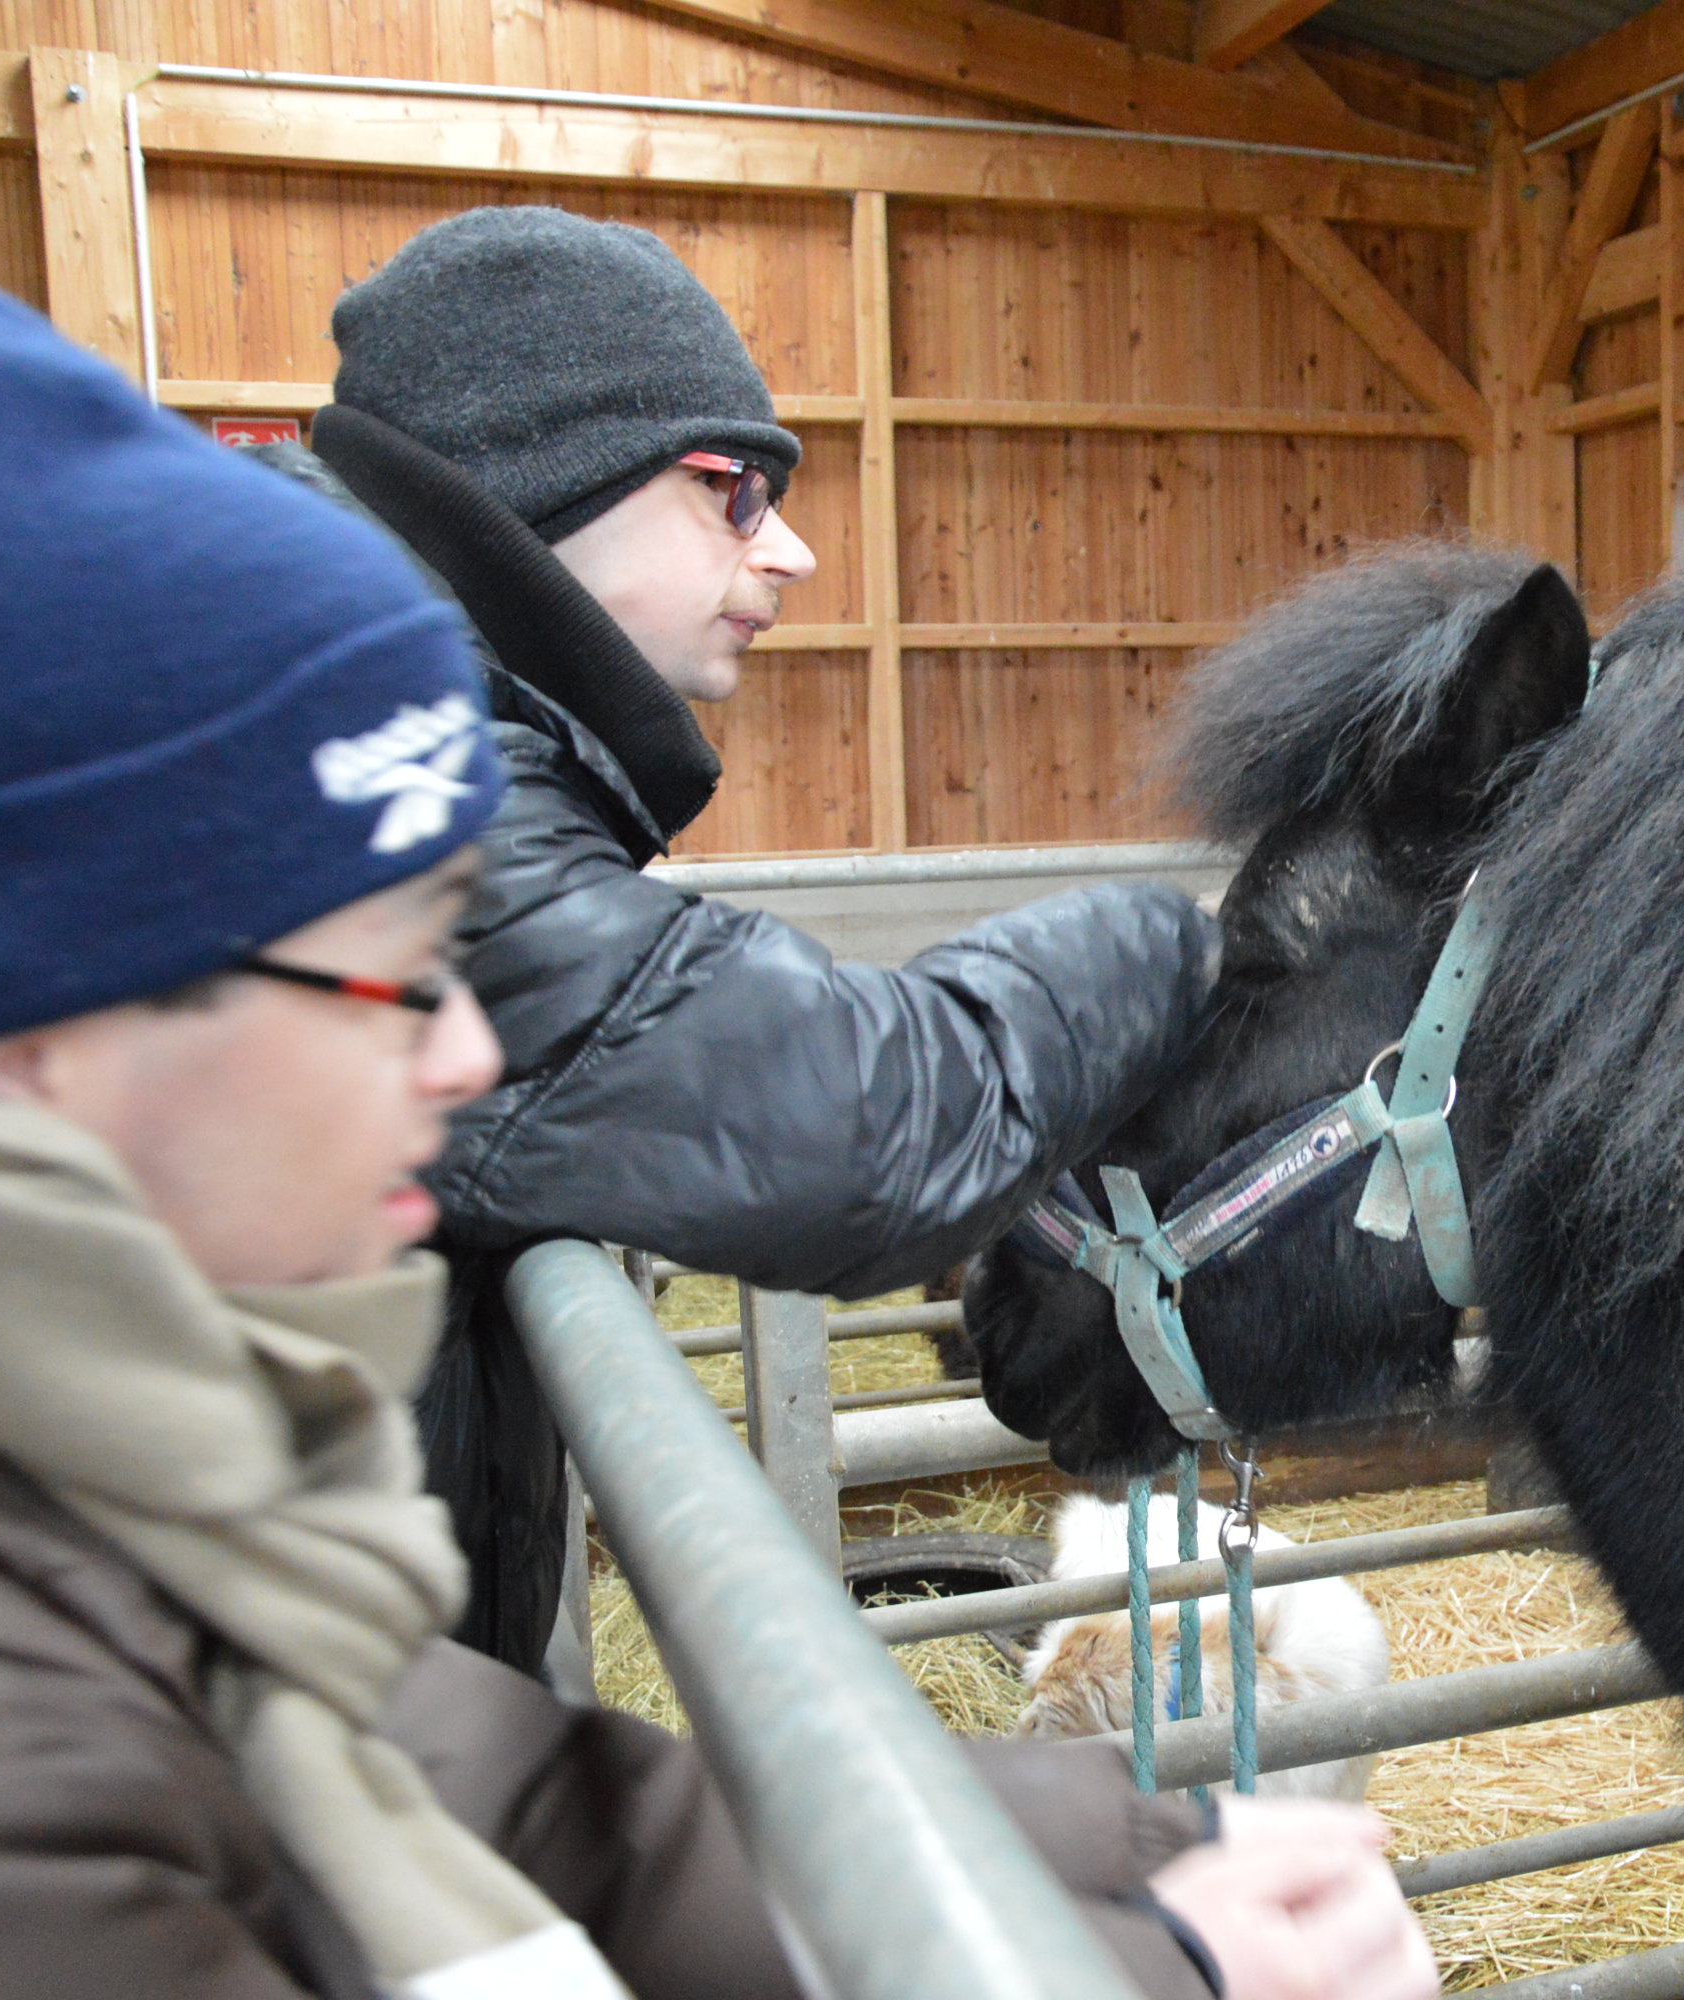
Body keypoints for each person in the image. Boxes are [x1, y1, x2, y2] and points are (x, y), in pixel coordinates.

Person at [0, 276, 1436, 2000]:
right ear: (35, 1030)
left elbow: (499, 1789)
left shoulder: (131, 1520)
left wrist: (1133, 1870)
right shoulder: (7, 1766)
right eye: (386, 980)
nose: (472, 1049)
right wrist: (1202, 944)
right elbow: (858, 1119)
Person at [250, 206, 1222, 1671]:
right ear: (540, 469)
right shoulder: (346, 734)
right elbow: (849, 1130)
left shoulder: (342, 667)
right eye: (734, 491)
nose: (796, 553)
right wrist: (1185, 940)